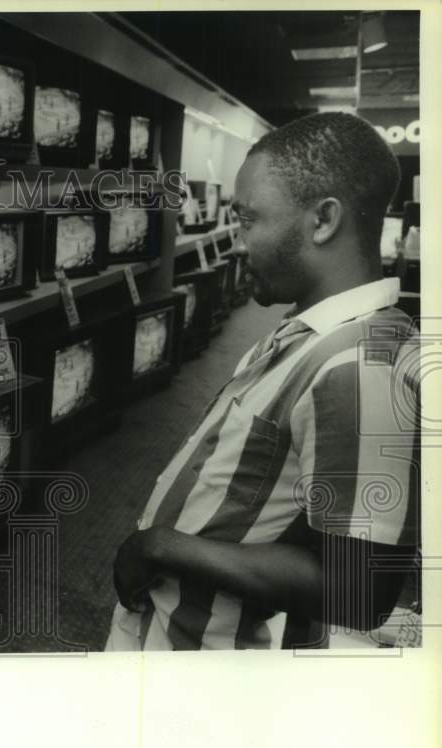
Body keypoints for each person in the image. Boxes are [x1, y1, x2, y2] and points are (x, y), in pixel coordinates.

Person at [106, 112, 420, 651]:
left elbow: (360, 589)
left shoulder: (357, 365)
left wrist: (161, 548)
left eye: (249, 219)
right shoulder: (316, 334)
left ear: (322, 220)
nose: (237, 241)